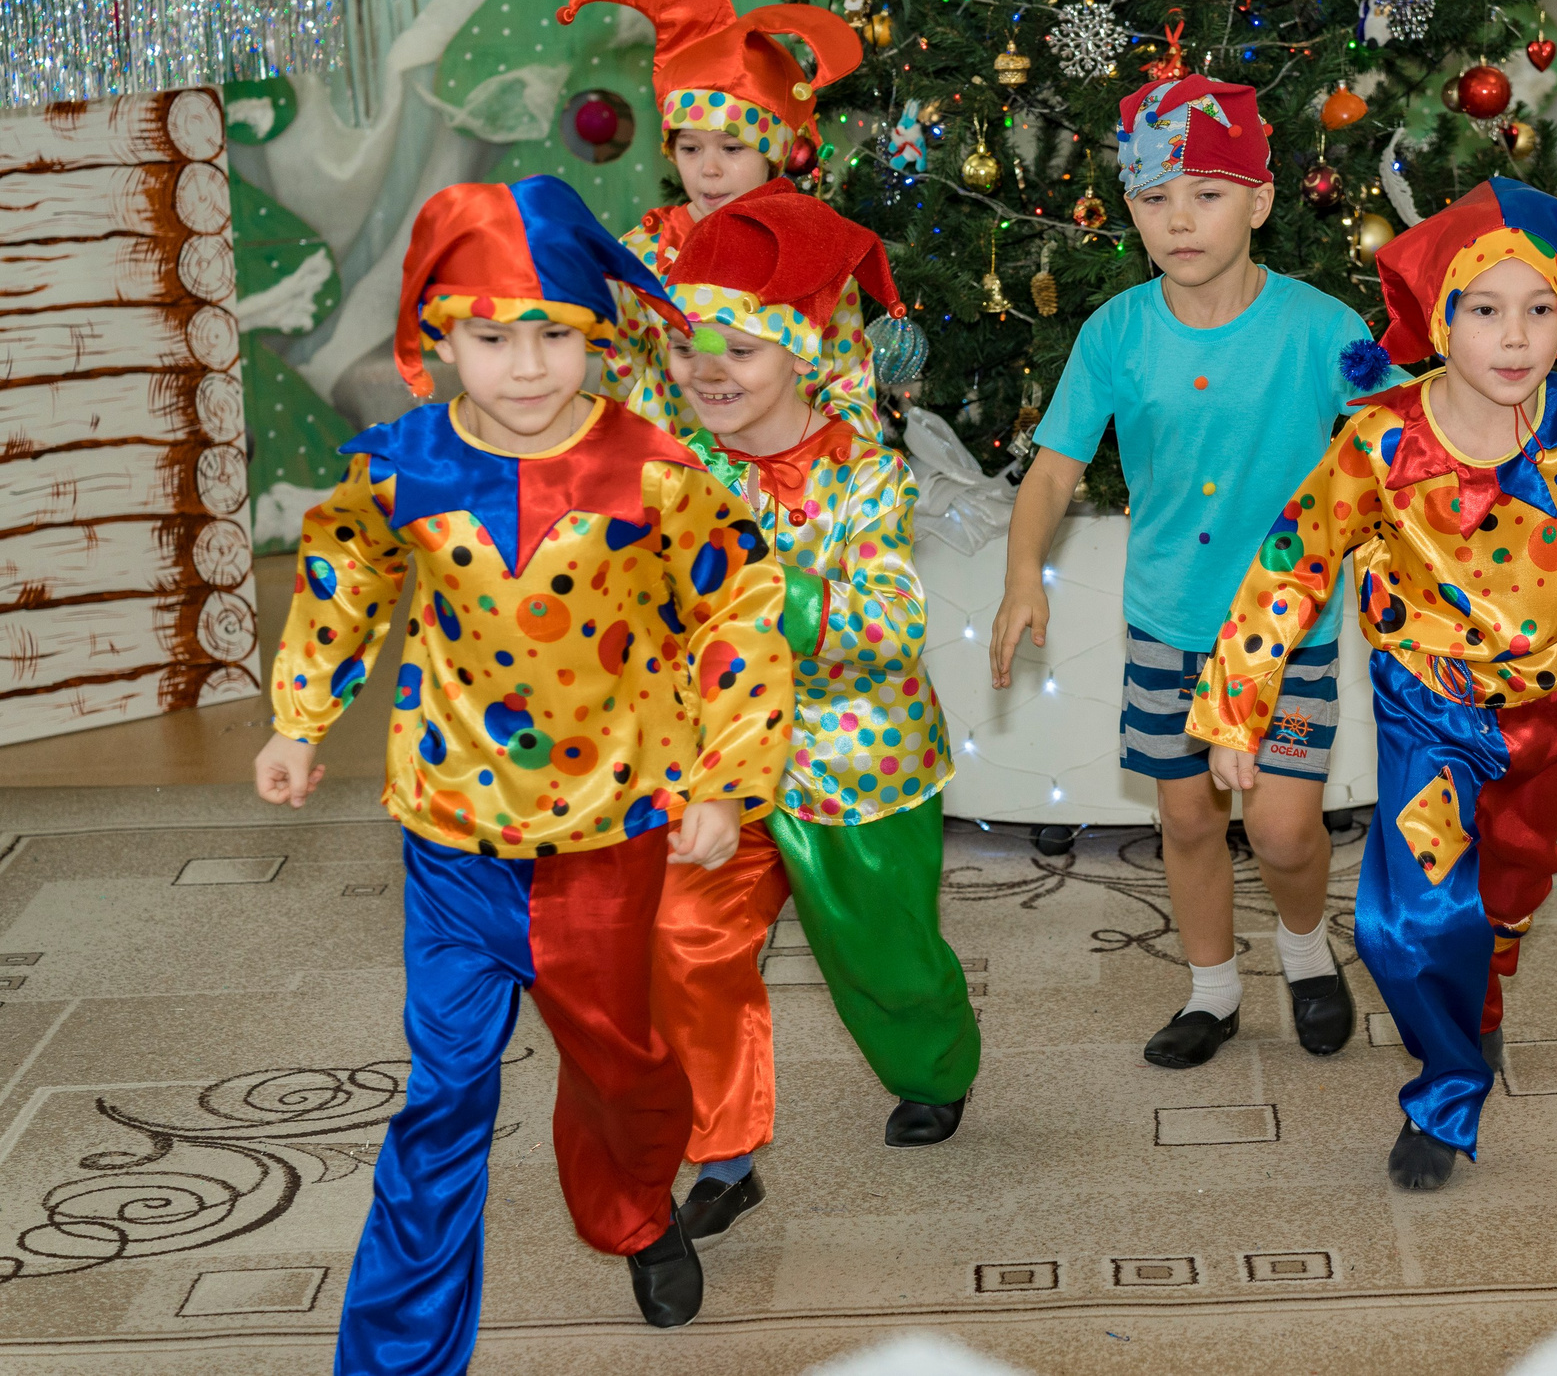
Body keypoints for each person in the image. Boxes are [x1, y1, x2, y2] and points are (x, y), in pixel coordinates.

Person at [253, 177, 797, 1368]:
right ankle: (395, 1353)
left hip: (607, 842)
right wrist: (299, 717)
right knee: (443, 1094)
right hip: (451, 836)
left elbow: (741, 608)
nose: (527, 366)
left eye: (556, 333)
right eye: (493, 336)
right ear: (440, 334)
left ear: (597, 335)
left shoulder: (658, 473)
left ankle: (637, 1213)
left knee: (626, 1075)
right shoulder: (396, 467)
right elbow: (342, 578)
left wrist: (722, 776)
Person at [1185, 177, 1557, 1191]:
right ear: (1442, 322)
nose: (1514, 337)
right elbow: (1288, 564)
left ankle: (1482, 984)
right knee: (1408, 922)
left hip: (1548, 713)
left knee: (1508, 893)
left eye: (1537, 311)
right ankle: (1444, 1095)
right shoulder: (1380, 442)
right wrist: (1237, 706)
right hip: (1426, 710)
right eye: (1485, 310)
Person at [990, 74, 1383, 1070]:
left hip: (1289, 626)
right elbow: (1051, 470)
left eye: (1206, 193)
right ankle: (1210, 989)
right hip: (1169, 618)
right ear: (1129, 209)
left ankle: (1304, 953)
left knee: (1288, 830)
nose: (1178, 219)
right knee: (1185, 813)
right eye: (1154, 198)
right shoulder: (1115, 334)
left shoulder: (1326, 329)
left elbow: (1397, 453)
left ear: (1258, 200)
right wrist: (1021, 575)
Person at [636, 180, 982, 1248]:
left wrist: (762, 589)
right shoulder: (665, 469)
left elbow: (888, 625)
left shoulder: (866, 476)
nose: (708, 369)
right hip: (715, 767)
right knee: (684, 946)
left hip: (857, 760)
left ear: (799, 352)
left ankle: (935, 1066)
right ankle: (724, 1151)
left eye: (740, 348)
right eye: (692, 344)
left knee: (886, 960)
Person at [557, 0, 878, 438]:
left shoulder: (816, 253)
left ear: (772, 156)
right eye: (690, 149)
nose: (708, 171)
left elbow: (846, 385)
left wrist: (820, 480)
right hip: (670, 482)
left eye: (731, 150)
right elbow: (621, 375)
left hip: (788, 485)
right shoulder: (644, 252)